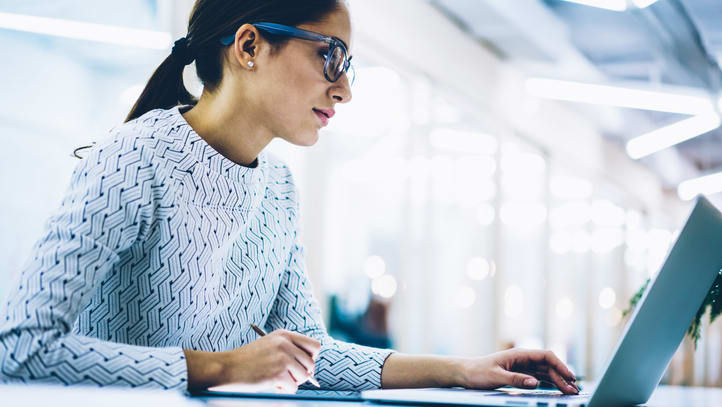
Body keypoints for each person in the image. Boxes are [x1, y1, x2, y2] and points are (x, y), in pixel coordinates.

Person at [0, 0, 579, 395]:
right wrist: (224, 367)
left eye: (348, 65)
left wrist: (463, 370)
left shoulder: (276, 187)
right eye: (331, 55)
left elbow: (310, 355)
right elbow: (21, 348)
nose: (345, 88)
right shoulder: (133, 158)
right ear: (249, 46)